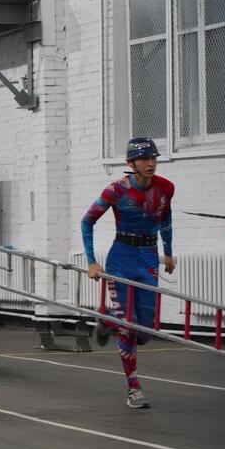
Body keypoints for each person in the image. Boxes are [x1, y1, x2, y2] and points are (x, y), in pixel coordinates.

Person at [82, 137, 175, 410]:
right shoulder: (116, 190)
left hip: (148, 256)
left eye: (153, 158)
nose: (150, 163)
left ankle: (107, 318)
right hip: (122, 256)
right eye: (144, 159)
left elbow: (166, 218)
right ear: (131, 164)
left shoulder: (166, 188)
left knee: (145, 331)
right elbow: (87, 221)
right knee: (129, 324)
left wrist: (168, 252)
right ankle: (133, 387)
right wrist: (91, 261)